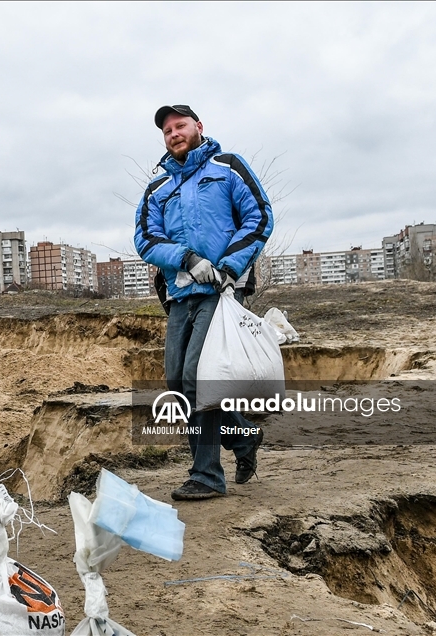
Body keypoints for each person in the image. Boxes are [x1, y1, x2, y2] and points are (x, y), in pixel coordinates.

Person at [134, 104, 273, 500]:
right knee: (178, 385)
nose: (173, 134)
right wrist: (186, 259)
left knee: (200, 378)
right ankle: (243, 436)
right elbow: (146, 238)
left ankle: (206, 476)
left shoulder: (227, 167)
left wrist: (228, 266)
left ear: (199, 127)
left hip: (221, 290)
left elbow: (259, 217)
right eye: (166, 131)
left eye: (180, 126)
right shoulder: (157, 189)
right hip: (180, 292)